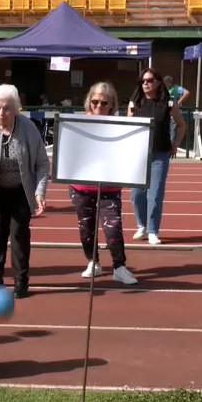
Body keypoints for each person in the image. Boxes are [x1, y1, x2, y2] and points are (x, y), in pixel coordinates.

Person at [0, 84, 49, 299]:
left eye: (6, 108)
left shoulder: (29, 129)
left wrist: (40, 192)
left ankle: (21, 280)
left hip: (22, 190)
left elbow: (42, 163)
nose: (1, 113)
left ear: (15, 109)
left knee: (20, 236)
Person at [70, 82, 138, 285]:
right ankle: (93, 262)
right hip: (81, 188)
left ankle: (119, 266)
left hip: (109, 187)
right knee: (86, 229)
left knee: (113, 228)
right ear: (88, 102)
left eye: (104, 103)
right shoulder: (77, 124)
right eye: (95, 102)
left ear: (112, 105)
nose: (98, 106)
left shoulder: (119, 127)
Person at [127, 68, 186, 245]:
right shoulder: (134, 103)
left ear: (158, 82)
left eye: (150, 80)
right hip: (137, 155)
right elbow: (127, 127)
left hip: (160, 154)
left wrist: (175, 145)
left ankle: (153, 230)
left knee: (155, 194)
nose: (146, 83)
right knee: (137, 194)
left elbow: (181, 125)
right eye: (143, 81)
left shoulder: (168, 103)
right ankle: (141, 226)